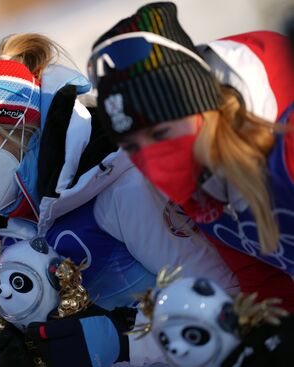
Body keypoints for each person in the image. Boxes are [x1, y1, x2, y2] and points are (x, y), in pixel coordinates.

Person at [0, 33, 237, 366]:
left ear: (20, 125)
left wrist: (123, 342)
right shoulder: (19, 224)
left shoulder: (124, 186)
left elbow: (224, 298)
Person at [90, 2, 294, 313]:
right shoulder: (197, 178)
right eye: (132, 146)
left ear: (201, 108)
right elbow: (263, 280)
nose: (152, 158)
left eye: (160, 134)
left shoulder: (286, 144)